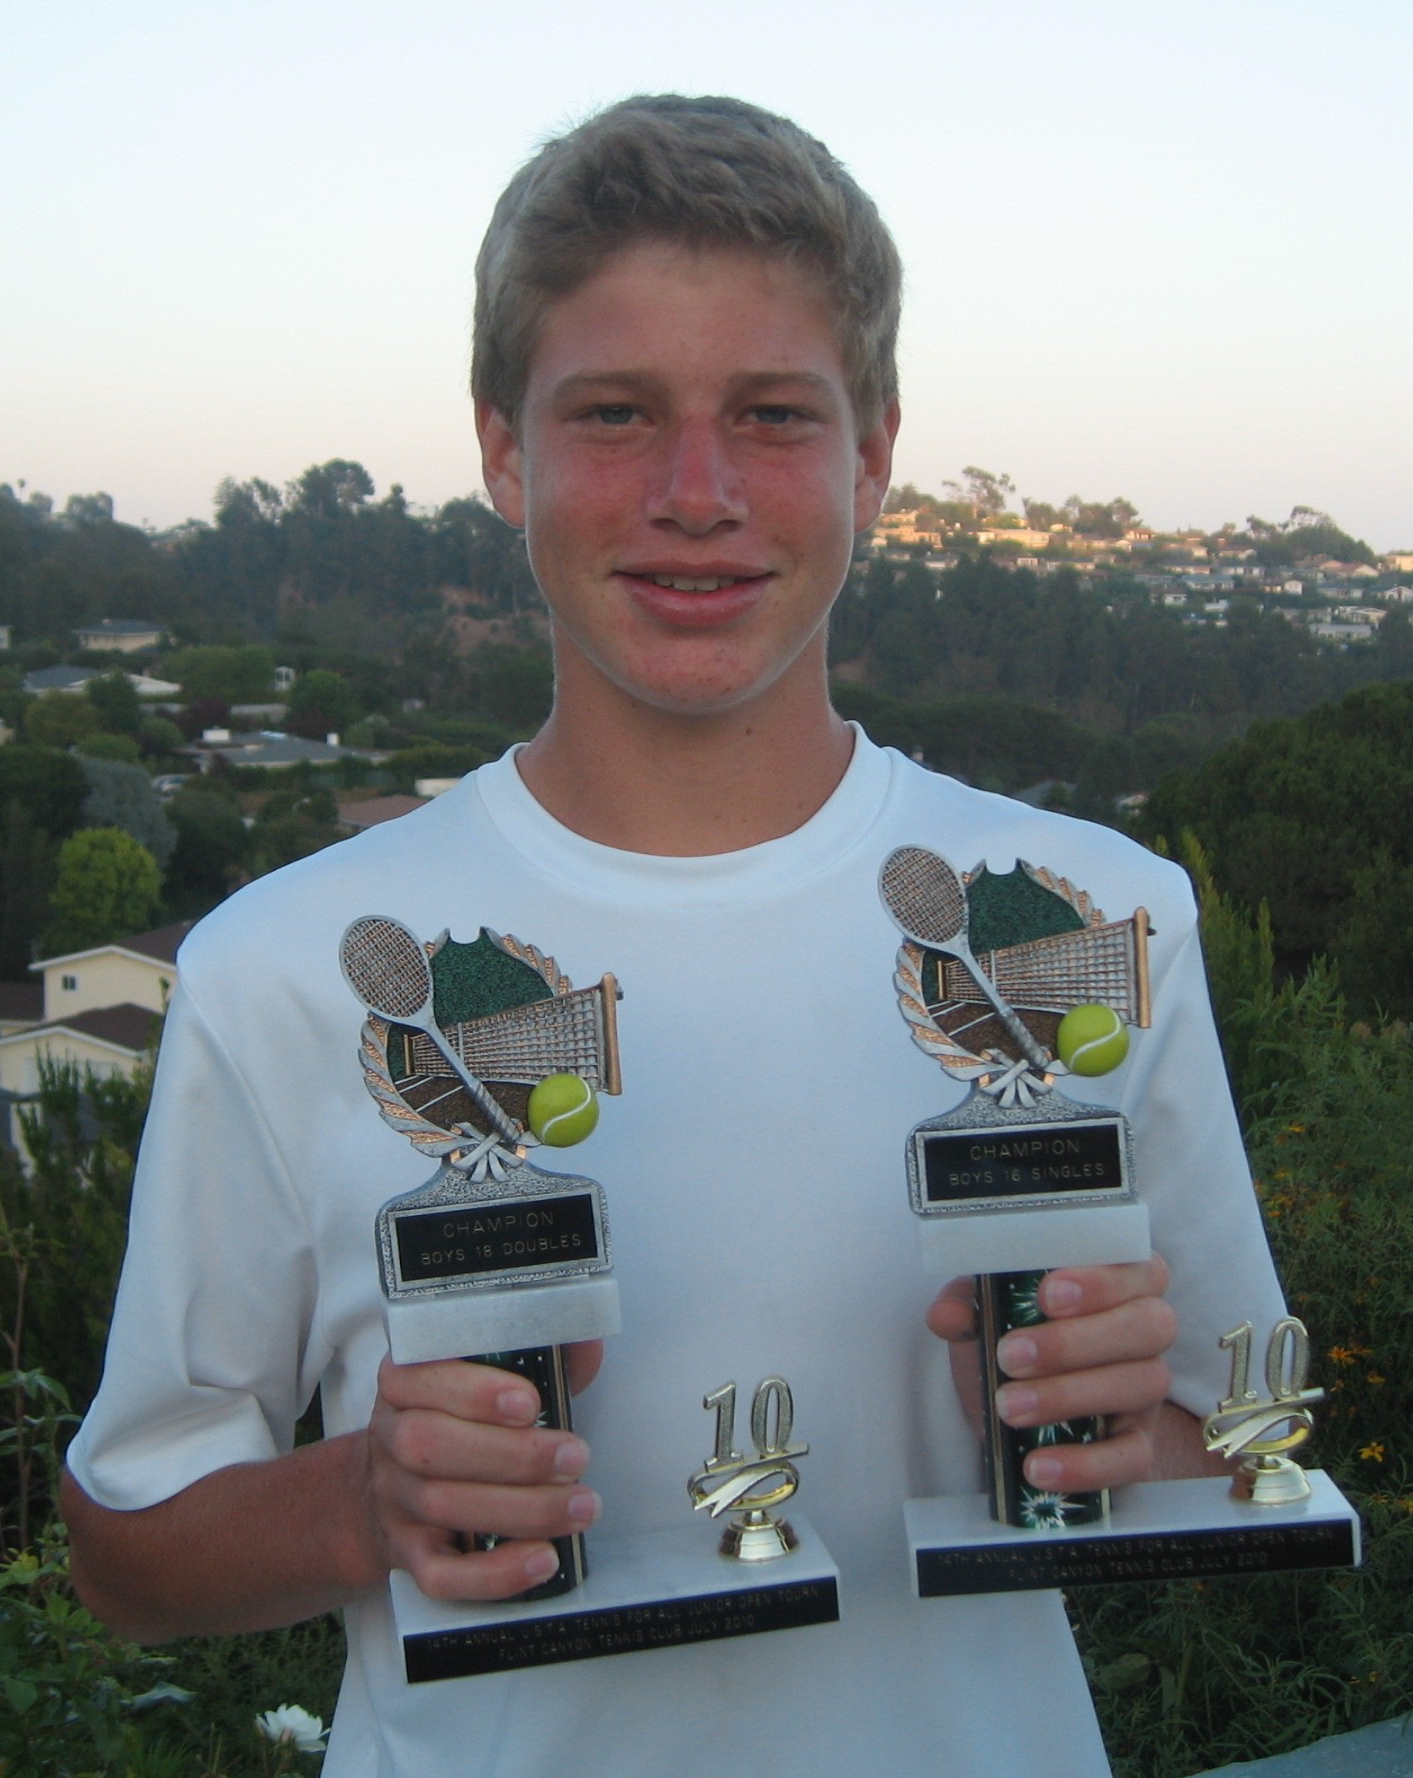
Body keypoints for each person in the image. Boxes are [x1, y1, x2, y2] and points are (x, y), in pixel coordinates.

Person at [63, 95, 1284, 1776]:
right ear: (504, 448)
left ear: (872, 452)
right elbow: (126, 1551)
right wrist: (364, 1494)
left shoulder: (1103, 918)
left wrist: (1113, 1419)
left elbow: (1242, 1451)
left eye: (772, 415)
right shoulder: (282, 963)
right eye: (617, 412)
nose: (696, 492)